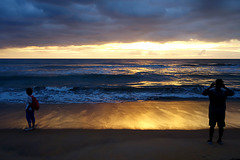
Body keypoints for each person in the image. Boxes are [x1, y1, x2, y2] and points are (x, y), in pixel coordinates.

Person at [202, 79, 234, 144]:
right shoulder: (224, 92)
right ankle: (219, 140)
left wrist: (210, 87)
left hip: (214, 110)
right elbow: (232, 93)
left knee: (212, 126)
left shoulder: (211, 91)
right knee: (220, 126)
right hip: (220, 111)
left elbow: (203, 93)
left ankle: (211, 139)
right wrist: (225, 87)